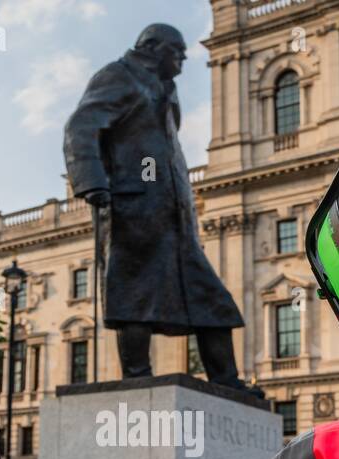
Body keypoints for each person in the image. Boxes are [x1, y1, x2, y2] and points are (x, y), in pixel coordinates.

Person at [63, 24, 260, 397]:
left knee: (212, 301)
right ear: (153, 48)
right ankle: (138, 377)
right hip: (131, 205)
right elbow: (80, 126)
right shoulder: (119, 76)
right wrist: (91, 181)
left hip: (174, 216)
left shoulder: (161, 87)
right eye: (178, 52)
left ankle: (226, 380)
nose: (184, 60)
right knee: (134, 297)